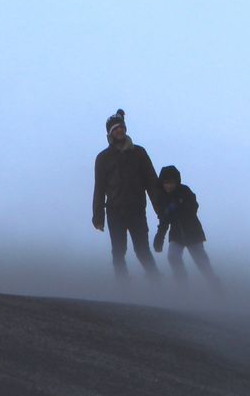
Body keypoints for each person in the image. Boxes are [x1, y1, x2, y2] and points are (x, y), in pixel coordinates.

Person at [92, 109, 162, 281]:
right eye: (115, 129)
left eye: (121, 127)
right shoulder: (103, 158)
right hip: (115, 211)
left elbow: (152, 182)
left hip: (137, 210)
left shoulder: (139, 153)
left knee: (142, 250)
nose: (119, 131)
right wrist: (98, 216)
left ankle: (158, 284)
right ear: (110, 133)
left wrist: (160, 207)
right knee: (118, 251)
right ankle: (123, 289)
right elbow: (99, 188)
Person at [153, 165, 223, 292]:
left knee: (201, 261)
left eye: (171, 183)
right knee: (172, 256)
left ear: (176, 182)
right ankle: (182, 285)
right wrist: (159, 237)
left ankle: (215, 284)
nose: (168, 186)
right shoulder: (162, 197)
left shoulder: (184, 191)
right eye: (166, 183)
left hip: (193, 232)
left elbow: (194, 207)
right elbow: (163, 220)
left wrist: (180, 205)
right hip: (176, 234)